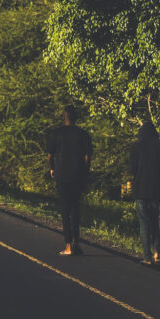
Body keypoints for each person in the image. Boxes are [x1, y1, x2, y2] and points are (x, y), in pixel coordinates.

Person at [46, 106, 93, 255]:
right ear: (75, 118)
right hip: (77, 175)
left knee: (65, 210)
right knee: (76, 208)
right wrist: (85, 173)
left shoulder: (56, 134)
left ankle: (68, 245)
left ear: (64, 117)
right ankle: (77, 242)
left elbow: (50, 155)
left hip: (62, 175)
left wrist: (52, 168)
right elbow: (87, 158)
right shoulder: (83, 135)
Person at [128, 121, 160, 264]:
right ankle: (157, 253)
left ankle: (147, 256)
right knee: (154, 220)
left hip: (141, 188)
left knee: (144, 222)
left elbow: (132, 169)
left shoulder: (135, 146)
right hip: (156, 188)